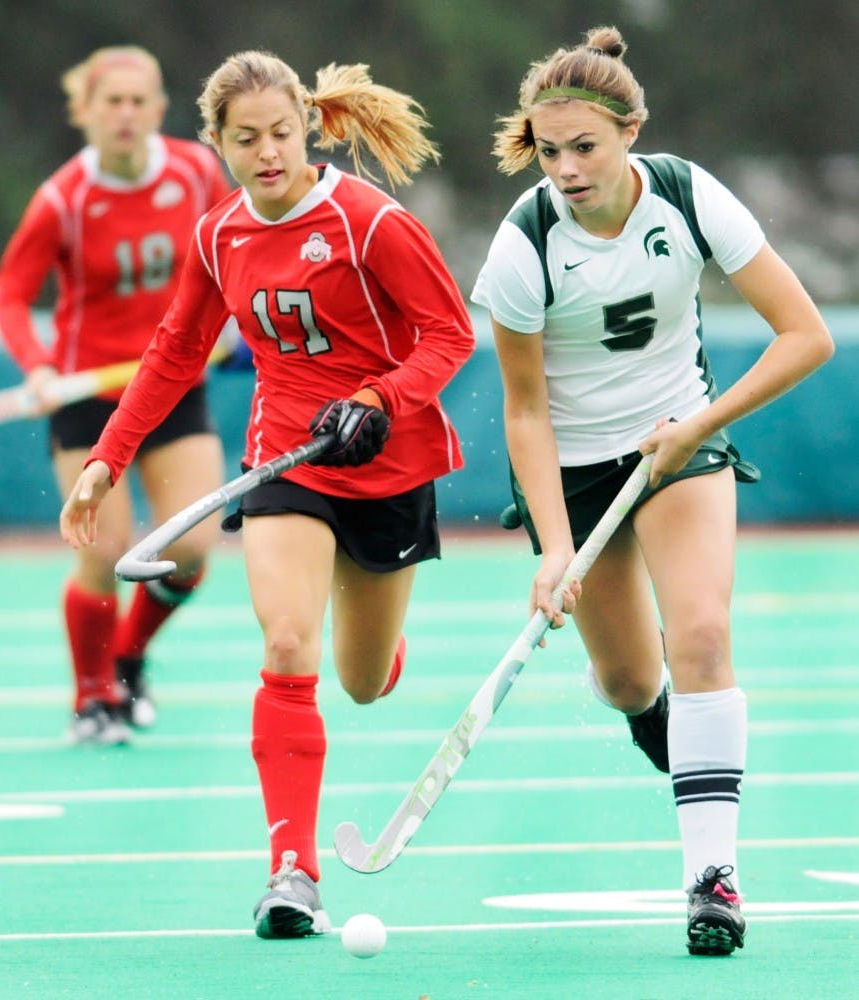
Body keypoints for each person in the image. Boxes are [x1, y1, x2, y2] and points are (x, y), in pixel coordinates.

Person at [59, 51, 475, 937]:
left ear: (307, 128)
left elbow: (450, 334)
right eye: (245, 139)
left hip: (389, 462)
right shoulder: (219, 234)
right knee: (288, 643)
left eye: (281, 133)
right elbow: (175, 352)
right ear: (217, 143)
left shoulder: (371, 221)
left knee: (361, 681)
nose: (268, 153)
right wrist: (106, 458)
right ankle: (293, 872)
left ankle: (380, 649)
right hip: (286, 460)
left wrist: (380, 398)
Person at [471, 25, 833, 957]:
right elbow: (524, 411)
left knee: (702, 635)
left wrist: (698, 427)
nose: (566, 169)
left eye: (585, 147)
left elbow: (807, 336)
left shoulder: (687, 195)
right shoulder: (523, 244)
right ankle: (647, 705)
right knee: (634, 680)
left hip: (681, 444)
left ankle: (712, 882)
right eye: (549, 151)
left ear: (631, 131)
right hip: (573, 468)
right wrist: (555, 546)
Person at [0, 46, 234, 744]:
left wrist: (246, 323)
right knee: (104, 551)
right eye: (111, 102)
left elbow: (236, 249)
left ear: (159, 110)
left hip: (173, 383)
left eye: (138, 101)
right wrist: (37, 365)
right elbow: (8, 294)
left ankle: (127, 658)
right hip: (88, 396)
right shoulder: (63, 199)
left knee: (191, 548)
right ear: (85, 112)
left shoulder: (195, 172)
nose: (125, 114)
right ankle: (91, 698)